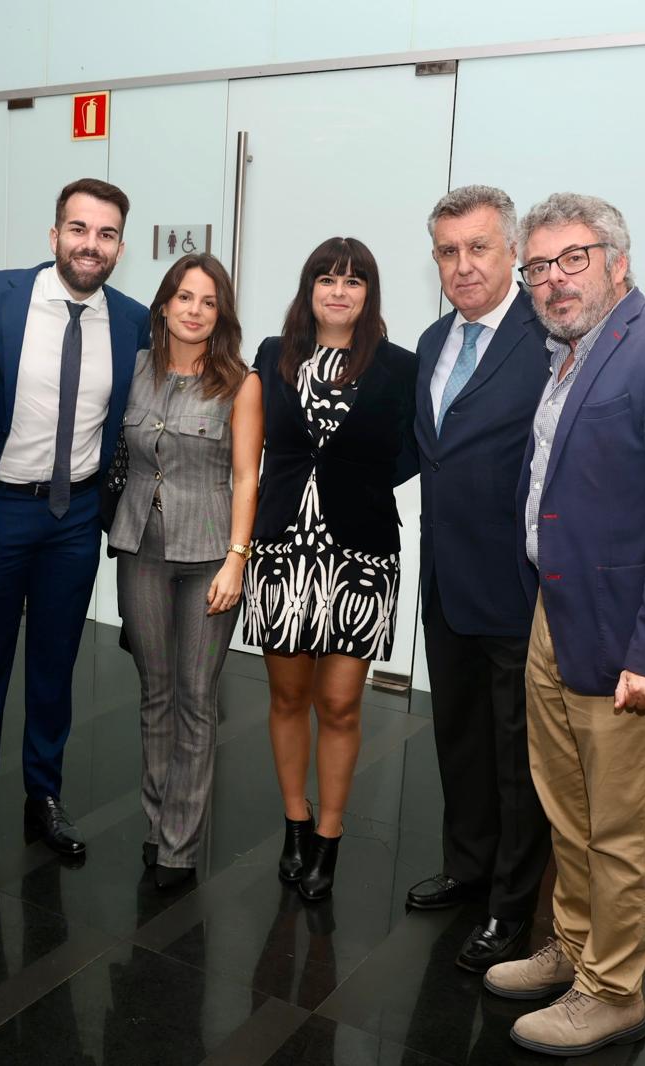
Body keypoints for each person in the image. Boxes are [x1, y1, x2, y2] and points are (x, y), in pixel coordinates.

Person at [484, 193, 645, 1058]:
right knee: (568, 806)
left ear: (617, 261)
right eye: (538, 267)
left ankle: (613, 991)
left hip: (626, 633)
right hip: (558, 614)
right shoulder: (571, 355)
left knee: (622, 826)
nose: (552, 280)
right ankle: (578, 947)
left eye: (571, 260)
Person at [0, 178, 151, 861]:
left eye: (106, 233)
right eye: (78, 229)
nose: (90, 245)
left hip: (74, 517)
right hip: (2, 507)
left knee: (55, 664)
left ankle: (45, 794)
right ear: (54, 233)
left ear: (120, 244)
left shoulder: (130, 320)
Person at [241, 236, 417, 901]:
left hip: (361, 551)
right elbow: (253, 450)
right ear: (308, 287)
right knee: (288, 696)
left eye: (354, 280)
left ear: (369, 294)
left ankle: (330, 837)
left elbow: (411, 450)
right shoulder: (273, 355)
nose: (339, 290)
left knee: (340, 702)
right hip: (283, 550)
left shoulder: (399, 367)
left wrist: (358, 483)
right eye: (326, 277)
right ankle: (294, 819)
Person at [406, 186, 553, 972]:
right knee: (457, 732)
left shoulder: (549, 337)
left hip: (519, 585)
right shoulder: (433, 342)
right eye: (447, 252)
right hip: (445, 582)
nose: (462, 266)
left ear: (512, 251)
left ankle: (509, 905)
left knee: (517, 753)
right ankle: (467, 867)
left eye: (479, 248)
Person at [106, 253, 262, 890]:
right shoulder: (136, 369)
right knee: (155, 691)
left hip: (209, 561)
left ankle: (179, 845)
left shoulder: (240, 383)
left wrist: (236, 559)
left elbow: (248, 477)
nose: (195, 310)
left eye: (209, 301)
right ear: (165, 304)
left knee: (197, 700)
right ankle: (155, 823)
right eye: (185, 297)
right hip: (140, 545)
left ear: (220, 314)